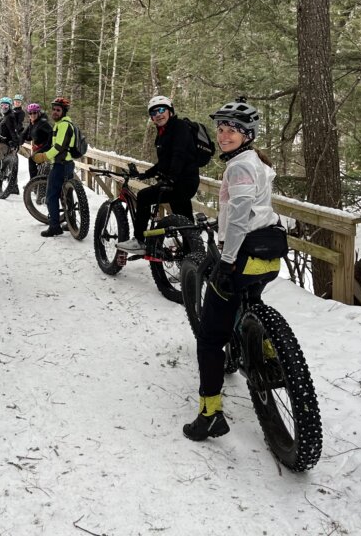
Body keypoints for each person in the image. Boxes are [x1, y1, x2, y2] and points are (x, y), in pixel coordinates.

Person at [184, 97, 282, 442]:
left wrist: (226, 261)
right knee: (247, 301)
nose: (224, 136)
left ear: (247, 135)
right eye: (221, 130)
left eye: (232, 131)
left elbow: (240, 213)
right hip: (266, 255)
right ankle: (270, 355)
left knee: (210, 340)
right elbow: (254, 208)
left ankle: (210, 414)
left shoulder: (238, 167)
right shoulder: (256, 161)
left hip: (239, 256)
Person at [116, 95, 200, 253]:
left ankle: (140, 241)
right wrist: (146, 174)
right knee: (185, 219)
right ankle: (192, 253)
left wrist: (171, 177)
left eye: (162, 110)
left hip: (182, 181)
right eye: (153, 113)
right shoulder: (164, 132)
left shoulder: (179, 127)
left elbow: (179, 154)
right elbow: (164, 161)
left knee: (143, 196)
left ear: (170, 111)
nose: (158, 114)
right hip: (180, 181)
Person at [32, 97, 77, 237]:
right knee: (66, 194)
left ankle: (54, 226)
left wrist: (44, 156)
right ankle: (71, 222)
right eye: (54, 109)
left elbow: (58, 147)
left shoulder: (63, 125)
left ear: (64, 111)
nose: (55, 112)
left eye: (58, 110)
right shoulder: (66, 124)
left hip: (60, 165)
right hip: (67, 163)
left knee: (51, 195)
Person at [0, 97, 22, 195]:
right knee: (11, 164)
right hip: (4, 141)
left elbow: (13, 131)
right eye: (2, 105)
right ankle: (14, 187)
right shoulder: (6, 115)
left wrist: (15, 143)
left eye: (6, 105)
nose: (4, 107)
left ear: (10, 106)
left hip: (6, 143)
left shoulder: (10, 117)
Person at [21, 103, 52, 179]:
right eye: (30, 113)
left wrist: (48, 145)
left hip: (46, 147)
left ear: (38, 113)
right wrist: (19, 141)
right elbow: (25, 134)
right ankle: (38, 181)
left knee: (31, 159)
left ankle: (33, 181)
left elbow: (52, 133)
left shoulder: (42, 123)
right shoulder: (33, 123)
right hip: (39, 147)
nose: (32, 115)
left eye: (34, 112)